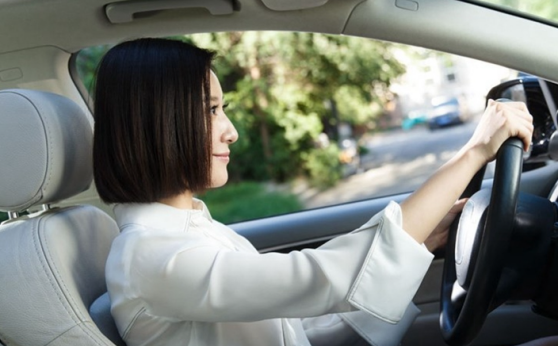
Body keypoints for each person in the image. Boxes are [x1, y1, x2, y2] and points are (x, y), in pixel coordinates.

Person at [93, 38, 533, 346]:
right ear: (159, 123)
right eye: (211, 110)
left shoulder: (186, 232)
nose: (231, 132)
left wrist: (424, 237)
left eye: (223, 109)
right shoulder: (153, 258)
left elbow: (294, 330)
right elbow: (327, 276)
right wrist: (475, 151)